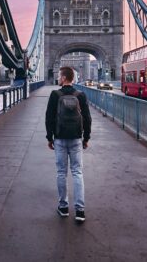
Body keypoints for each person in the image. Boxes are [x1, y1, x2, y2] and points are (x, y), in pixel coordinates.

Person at [46, 66, 92, 222]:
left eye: (59, 76)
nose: (58, 78)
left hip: (59, 138)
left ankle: (63, 207)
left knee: (61, 172)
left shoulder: (55, 94)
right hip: (76, 138)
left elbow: (49, 118)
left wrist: (49, 138)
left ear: (64, 78)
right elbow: (87, 118)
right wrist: (86, 138)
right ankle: (80, 211)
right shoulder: (81, 95)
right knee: (77, 172)